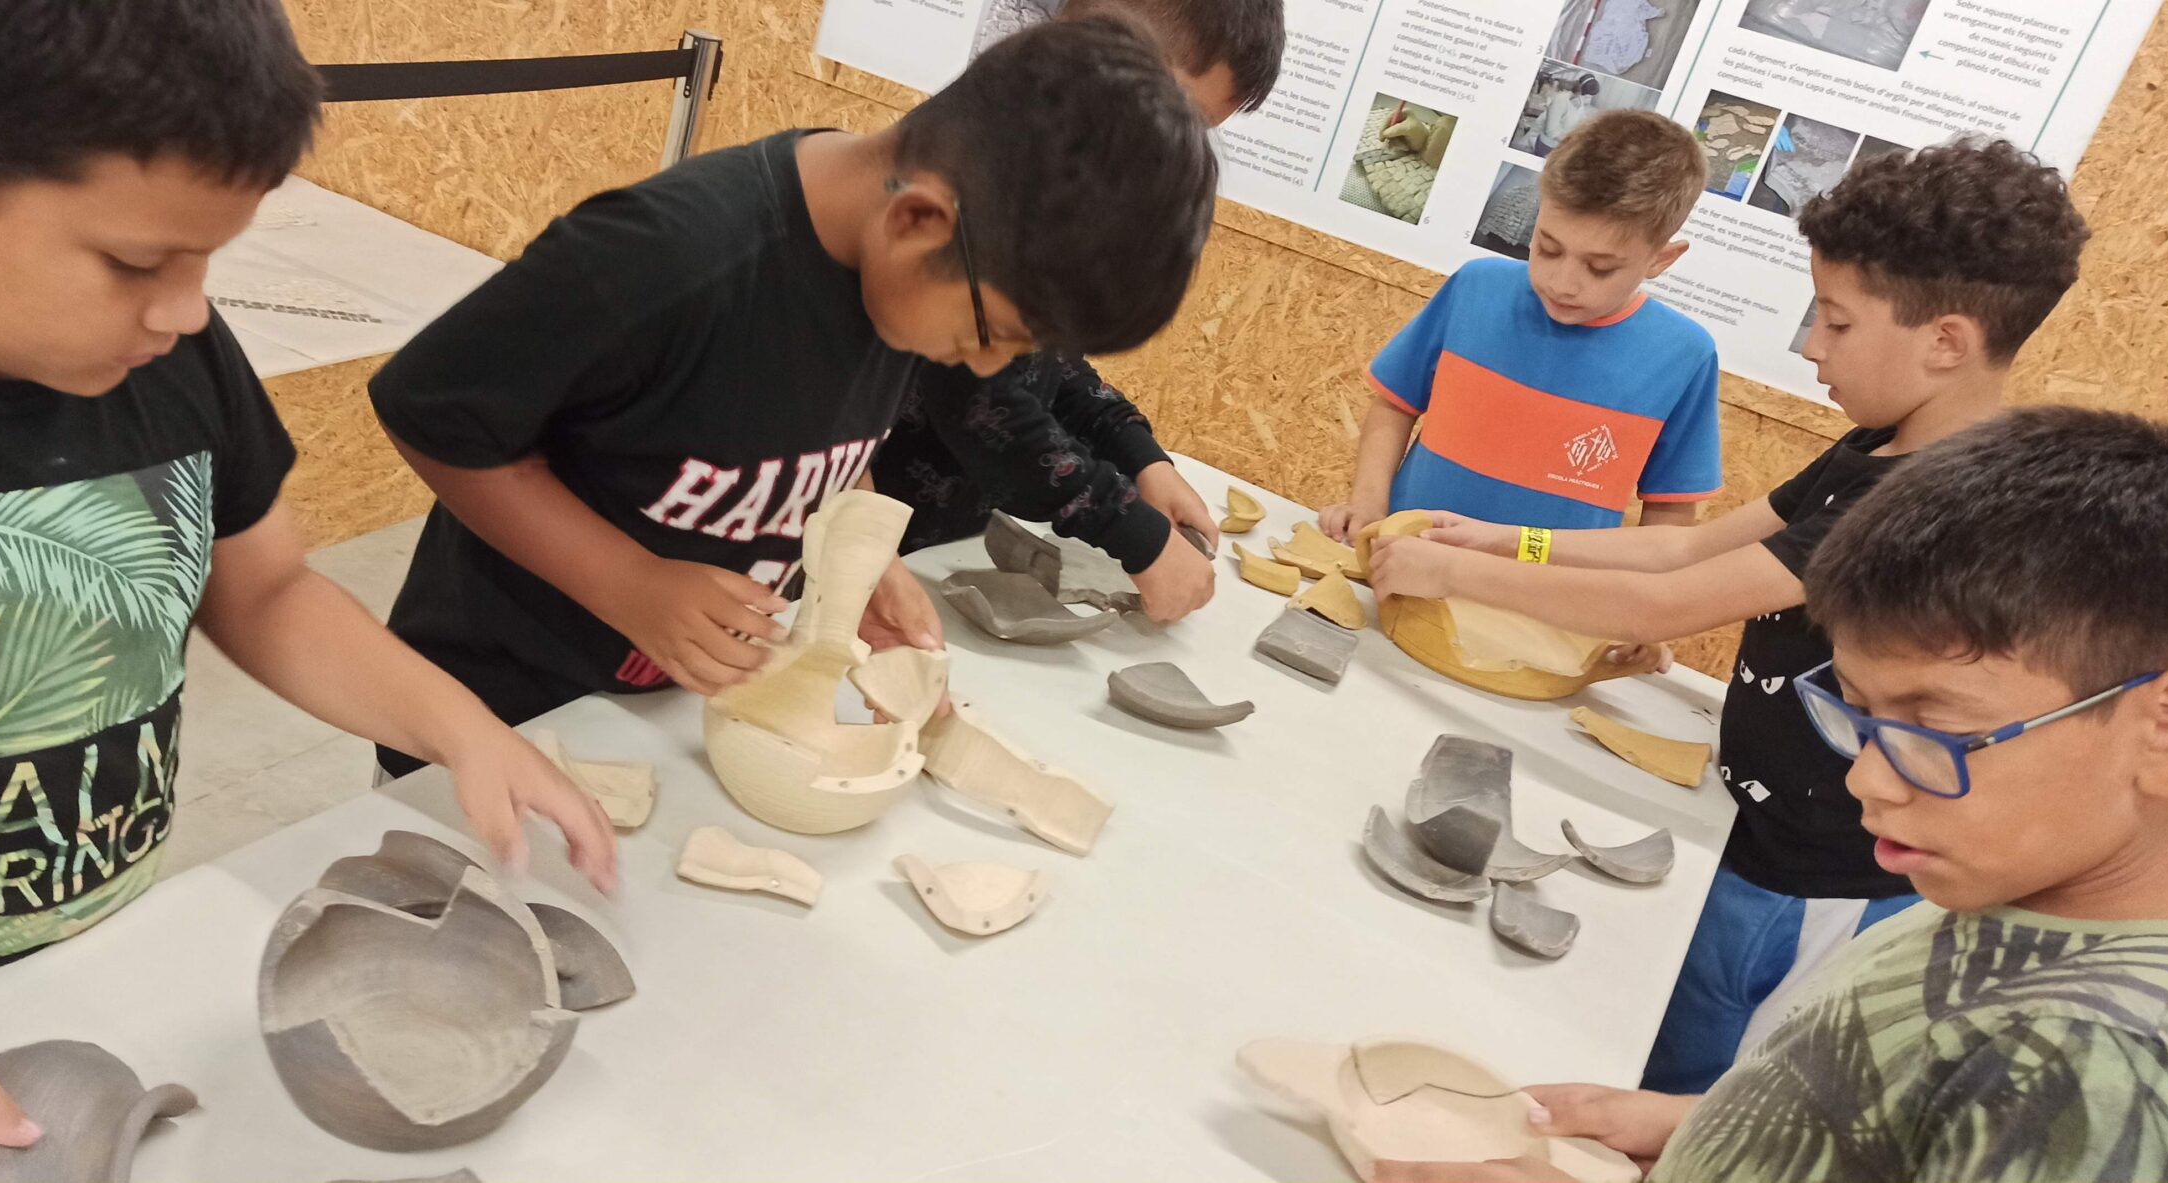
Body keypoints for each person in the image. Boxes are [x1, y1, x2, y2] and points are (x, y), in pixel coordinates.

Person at [0, 2, 618, 1179]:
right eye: (136, 262)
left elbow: (266, 591)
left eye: (208, 259)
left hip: (77, 983)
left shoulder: (163, 346)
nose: (186, 309)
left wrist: (457, 725)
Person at [1366, 139, 2092, 1093]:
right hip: (1747, 824)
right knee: (1653, 1038)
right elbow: (1682, 548)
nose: (1813, 346)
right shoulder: (1876, 446)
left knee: (1703, 1078)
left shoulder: (1930, 499)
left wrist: (1450, 573)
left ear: (1946, 341)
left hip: (1815, 875)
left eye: (1835, 320)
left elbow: (1668, 601)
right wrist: (1508, 542)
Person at [369, 17, 1219, 773]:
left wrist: (864, 560)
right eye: (989, 332)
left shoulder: (899, 282)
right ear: (918, 221)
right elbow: (431, 413)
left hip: (662, 710)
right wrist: (630, 583)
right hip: (492, 715)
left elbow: (822, 440)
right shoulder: (669, 257)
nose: (988, 365)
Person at [1378, 406, 2168, 1183]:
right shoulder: (2006, 890)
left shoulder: (2100, 1066)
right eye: (1857, 713)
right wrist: (1711, 1125)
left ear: (2165, 726)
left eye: (1934, 728)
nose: (1866, 777)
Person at [870, 0, 1284, 623]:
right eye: (1180, 117)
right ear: (1108, 51)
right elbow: (981, 400)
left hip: (918, 559)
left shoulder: (1043, 189)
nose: (1176, 152)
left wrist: (1139, 456)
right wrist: (1130, 530)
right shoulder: (977, 185)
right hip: (860, 558)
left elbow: (1049, 365)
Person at [1316, 109, 1720, 541]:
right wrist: (1368, 506)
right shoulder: (1475, 288)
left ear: (1661, 259)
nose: (1562, 283)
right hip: (1405, 558)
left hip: (1545, 583)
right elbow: (1395, 405)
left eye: (1600, 268)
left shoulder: (1685, 355)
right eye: (1548, 248)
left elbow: (1671, 508)